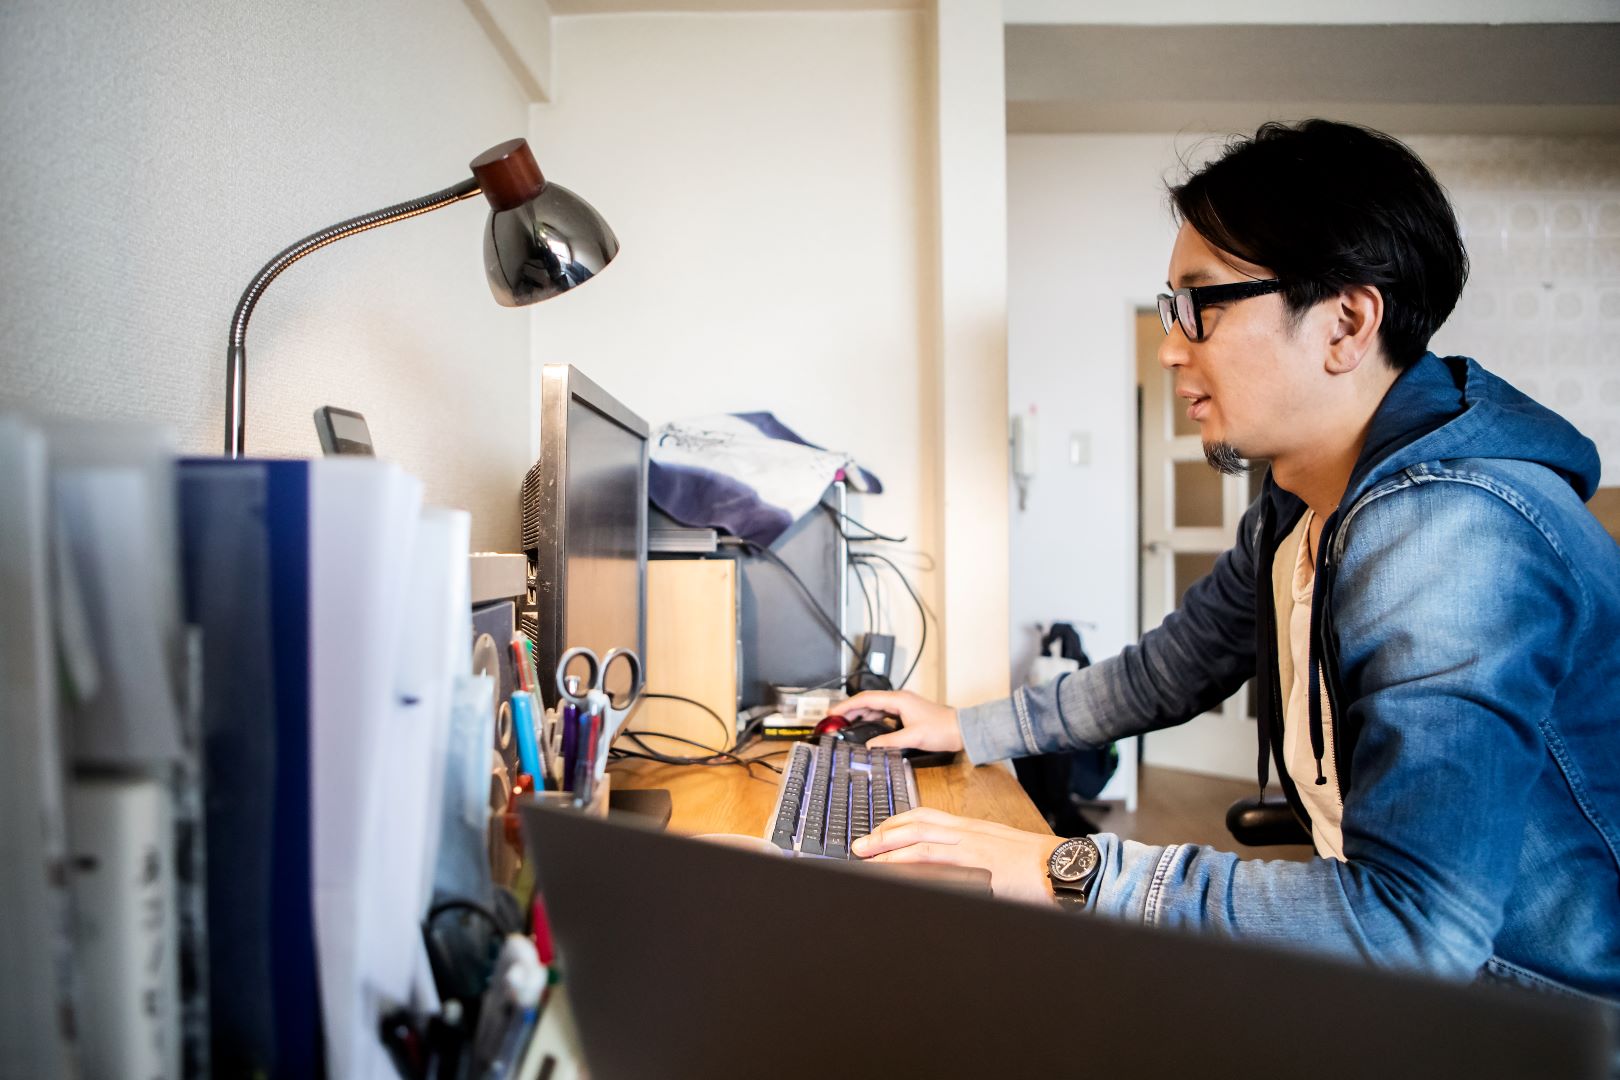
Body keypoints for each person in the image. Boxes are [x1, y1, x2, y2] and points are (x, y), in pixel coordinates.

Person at [830, 119, 1620, 1006]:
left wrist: (1077, 867)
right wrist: (969, 729)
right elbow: (1169, 672)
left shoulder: (1451, 533)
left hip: (1547, 1021)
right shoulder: (1300, 504)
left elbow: (1411, 925)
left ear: (1346, 324)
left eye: (1200, 304)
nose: (1172, 344)